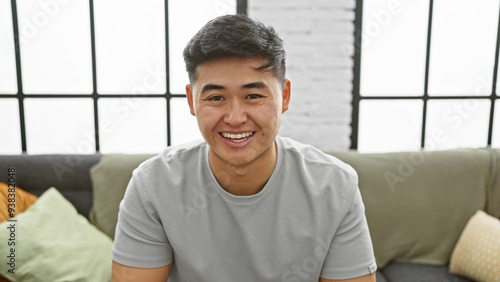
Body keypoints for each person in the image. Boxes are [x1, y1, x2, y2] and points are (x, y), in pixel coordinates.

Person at [111, 14, 377, 282]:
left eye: (253, 96)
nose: (235, 118)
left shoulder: (335, 186)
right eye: (216, 97)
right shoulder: (153, 185)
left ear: (284, 96)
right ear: (191, 102)